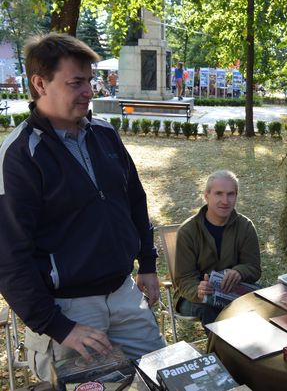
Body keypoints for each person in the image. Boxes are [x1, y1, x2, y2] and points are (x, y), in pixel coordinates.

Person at [0, 33, 165, 382]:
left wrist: (147, 264)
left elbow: (135, 200)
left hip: (124, 295)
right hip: (70, 312)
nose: (90, 90)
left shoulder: (105, 134)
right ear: (40, 83)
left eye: (90, 81)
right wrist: (59, 327)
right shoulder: (20, 154)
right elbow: (10, 256)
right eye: (76, 82)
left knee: (161, 377)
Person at [173, 170, 261, 332]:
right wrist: (198, 290)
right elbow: (183, 278)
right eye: (218, 194)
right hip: (195, 297)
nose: (225, 201)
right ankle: (222, 354)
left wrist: (239, 272)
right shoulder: (188, 231)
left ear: (236, 196)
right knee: (212, 311)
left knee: (263, 300)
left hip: (233, 290)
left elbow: (254, 268)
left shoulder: (245, 226)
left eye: (230, 194)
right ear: (206, 196)